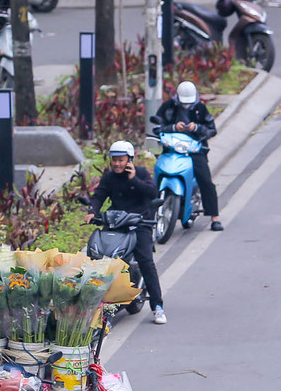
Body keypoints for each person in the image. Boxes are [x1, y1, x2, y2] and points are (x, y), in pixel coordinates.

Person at [87, 140, 166, 325]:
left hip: (140, 223)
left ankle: (157, 306)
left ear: (129, 160)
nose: (117, 164)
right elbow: (99, 195)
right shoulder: (109, 177)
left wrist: (134, 180)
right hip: (116, 223)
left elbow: (152, 192)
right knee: (100, 258)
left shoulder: (141, 173)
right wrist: (92, 211)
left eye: (121, 160)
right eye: (114, 160)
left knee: (146, 261)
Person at [152, 80, 222, 231]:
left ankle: (214, 217)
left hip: (195, 151)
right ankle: (150, 214)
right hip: (171, 149)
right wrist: (172, 127)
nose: (186, 106)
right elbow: (157, 127)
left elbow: (212, 129)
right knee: (154, 178)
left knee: (206, 181)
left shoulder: (200, 109)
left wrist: (196, 128)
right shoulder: (167, 107)